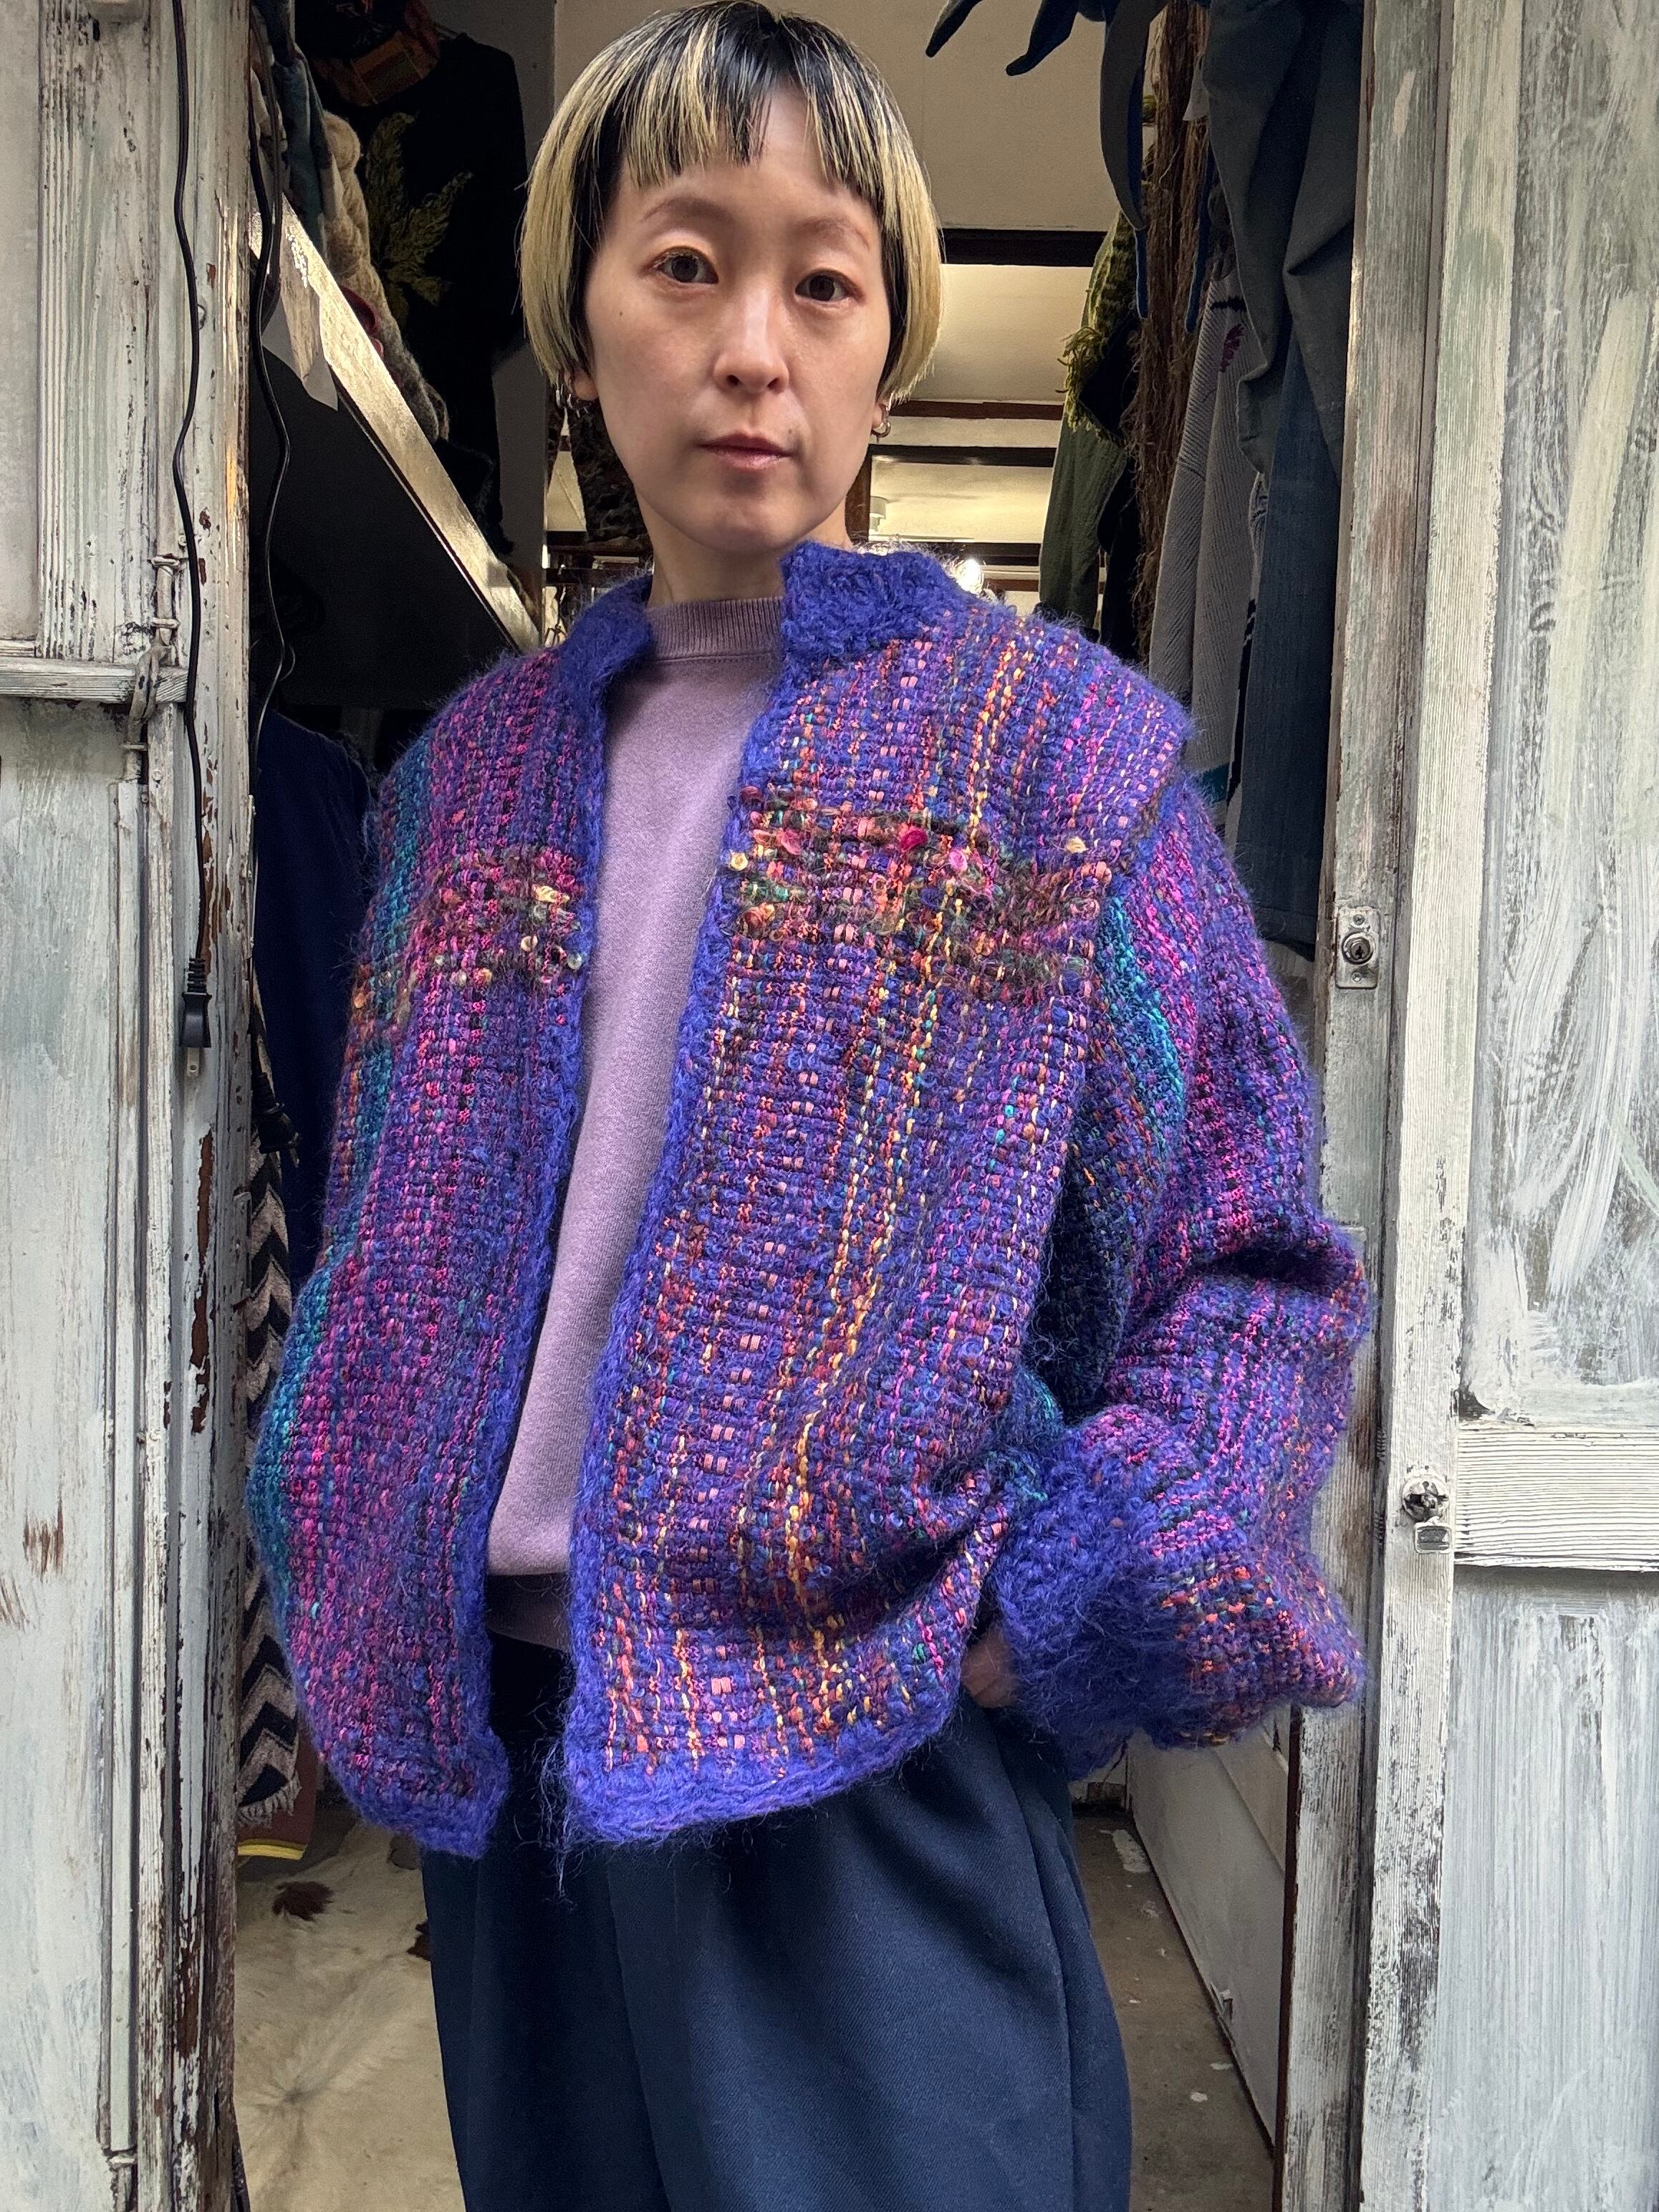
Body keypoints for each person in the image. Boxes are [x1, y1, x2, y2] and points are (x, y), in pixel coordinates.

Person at [248, 9, 1369, 2208]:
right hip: (516, 1774)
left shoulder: (1047, 759)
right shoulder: (468, 783)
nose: (750, 347)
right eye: (683, 264)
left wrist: (1053, 1608)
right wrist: (335, 1494)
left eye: (821, 280)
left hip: (863, 1754)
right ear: (580, 324)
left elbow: (1247, 1268)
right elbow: (385, 1224)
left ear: (885, 345)